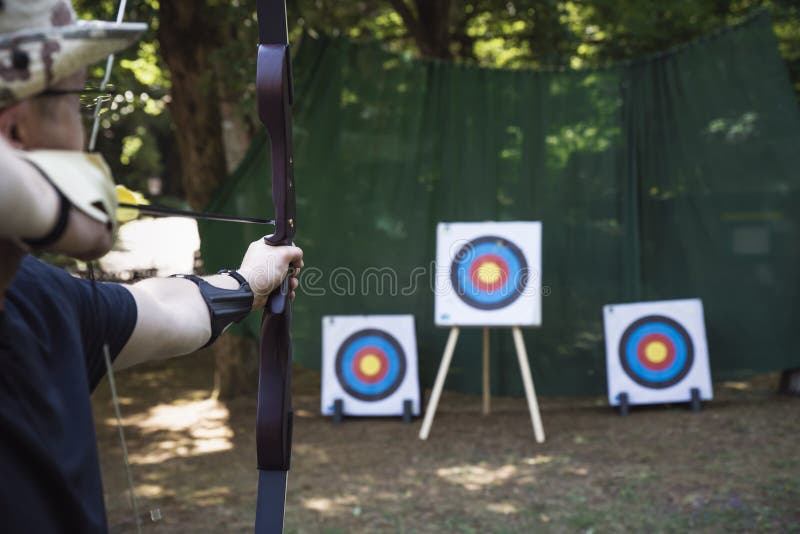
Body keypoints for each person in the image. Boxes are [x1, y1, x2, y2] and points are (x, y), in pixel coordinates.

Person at [0, 1, 303, 531]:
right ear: (17, 131)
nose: (84, 126)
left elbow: (162, 309)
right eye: (77, 99)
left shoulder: (40, 301)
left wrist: (248, 283)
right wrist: (53, 205)